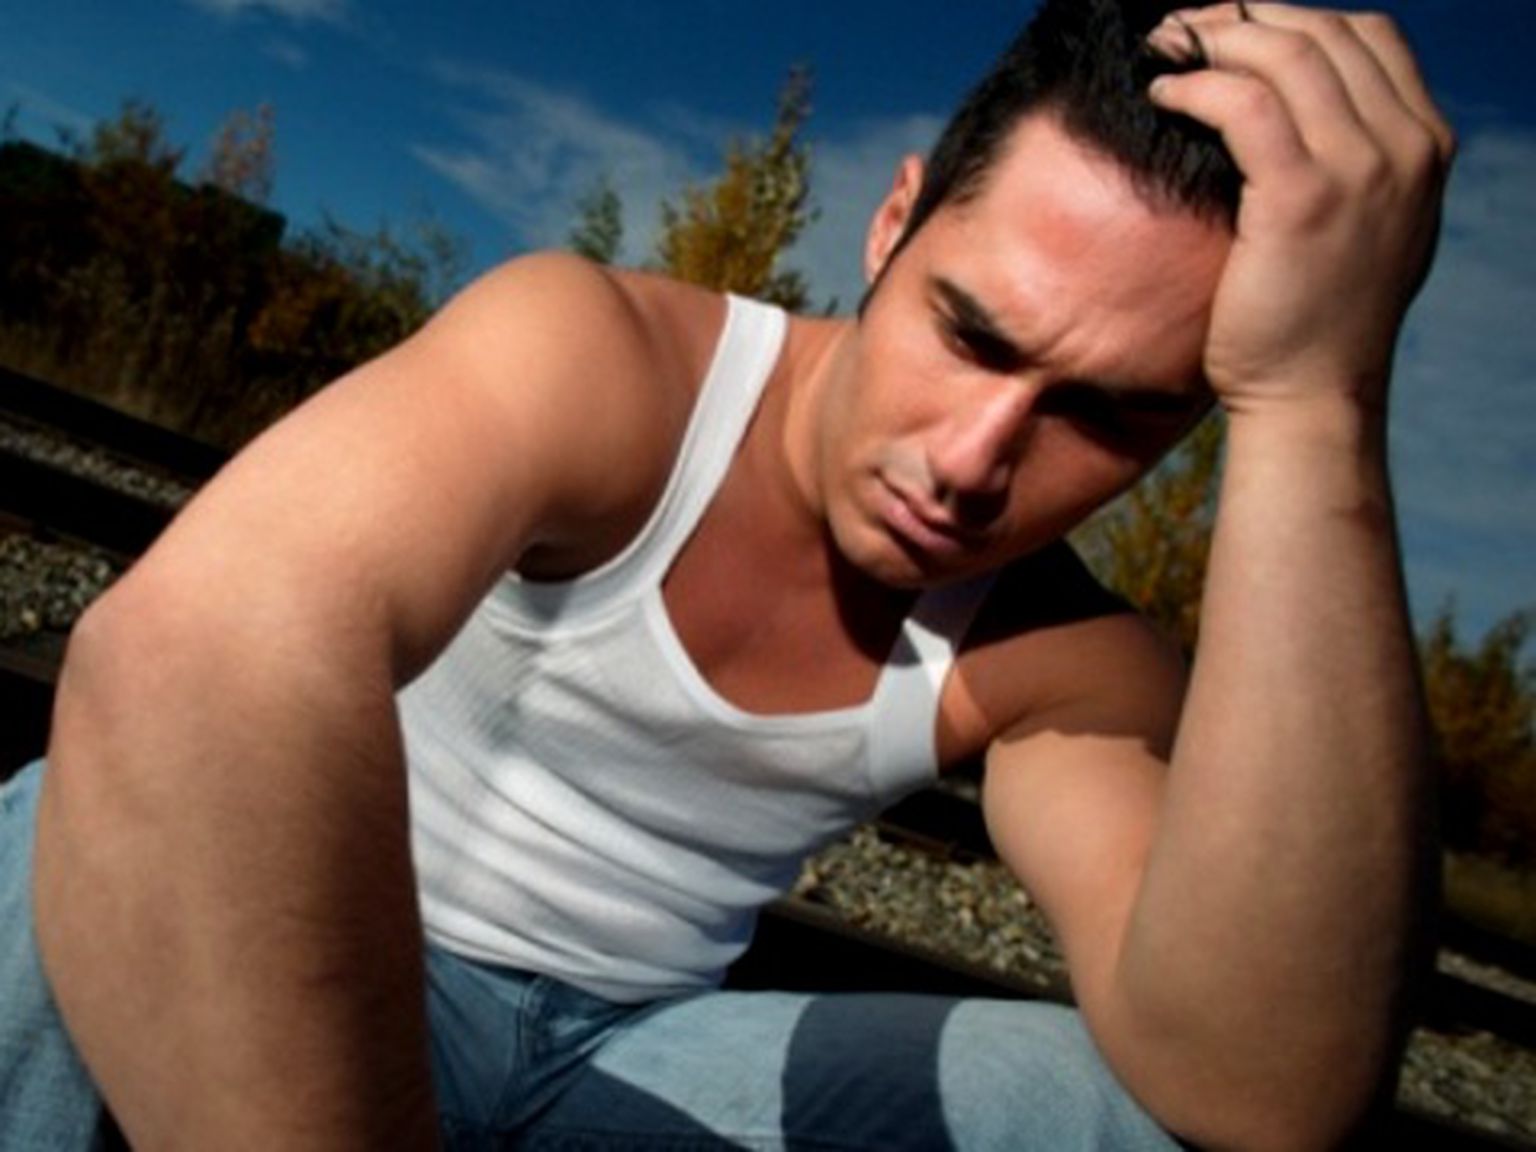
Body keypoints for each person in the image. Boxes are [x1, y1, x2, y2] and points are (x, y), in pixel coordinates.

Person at [2, 0, 1455, 1147]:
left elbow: (1264, 1087)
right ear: (891, 225)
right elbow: (202, 654)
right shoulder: (607, 363)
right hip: (327, 940)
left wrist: (1316, 403)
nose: (972, 461)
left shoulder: (1063, 656)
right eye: (971, 334)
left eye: (1106, 417)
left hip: (627, 1062)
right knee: (105, 798)